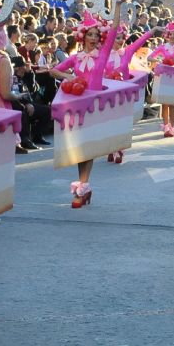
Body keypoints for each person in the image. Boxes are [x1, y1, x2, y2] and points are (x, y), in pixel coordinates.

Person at [51, 13, 121, 207]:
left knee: (87, 148)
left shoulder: (103, 54)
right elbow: (54, 70)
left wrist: (117, 6)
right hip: (78, 106)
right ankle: (85, 188)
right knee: (79, 149)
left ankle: (82, 188)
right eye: (90, 34)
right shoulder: (75, 58)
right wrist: (71, 78)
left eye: (96, 35)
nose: (93, 38)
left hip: (96, 107)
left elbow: (114, 31)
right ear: (83, 36)